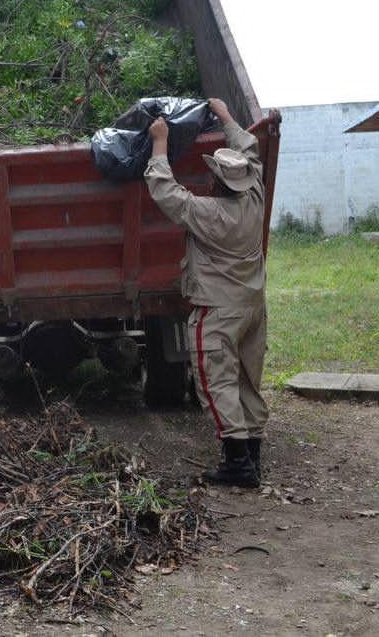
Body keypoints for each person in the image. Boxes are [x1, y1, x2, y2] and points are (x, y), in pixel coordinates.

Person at [145, 98, 268, 488]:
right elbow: (250, 150)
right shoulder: (255, 197)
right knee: (248, 380)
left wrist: (160, 143)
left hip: (218, 310)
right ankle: (252, 456)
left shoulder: (209, 213)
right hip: (252, 306)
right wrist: (228, 117)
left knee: (217, 383)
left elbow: (165, 190)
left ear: (218, 183)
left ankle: (237, 466)